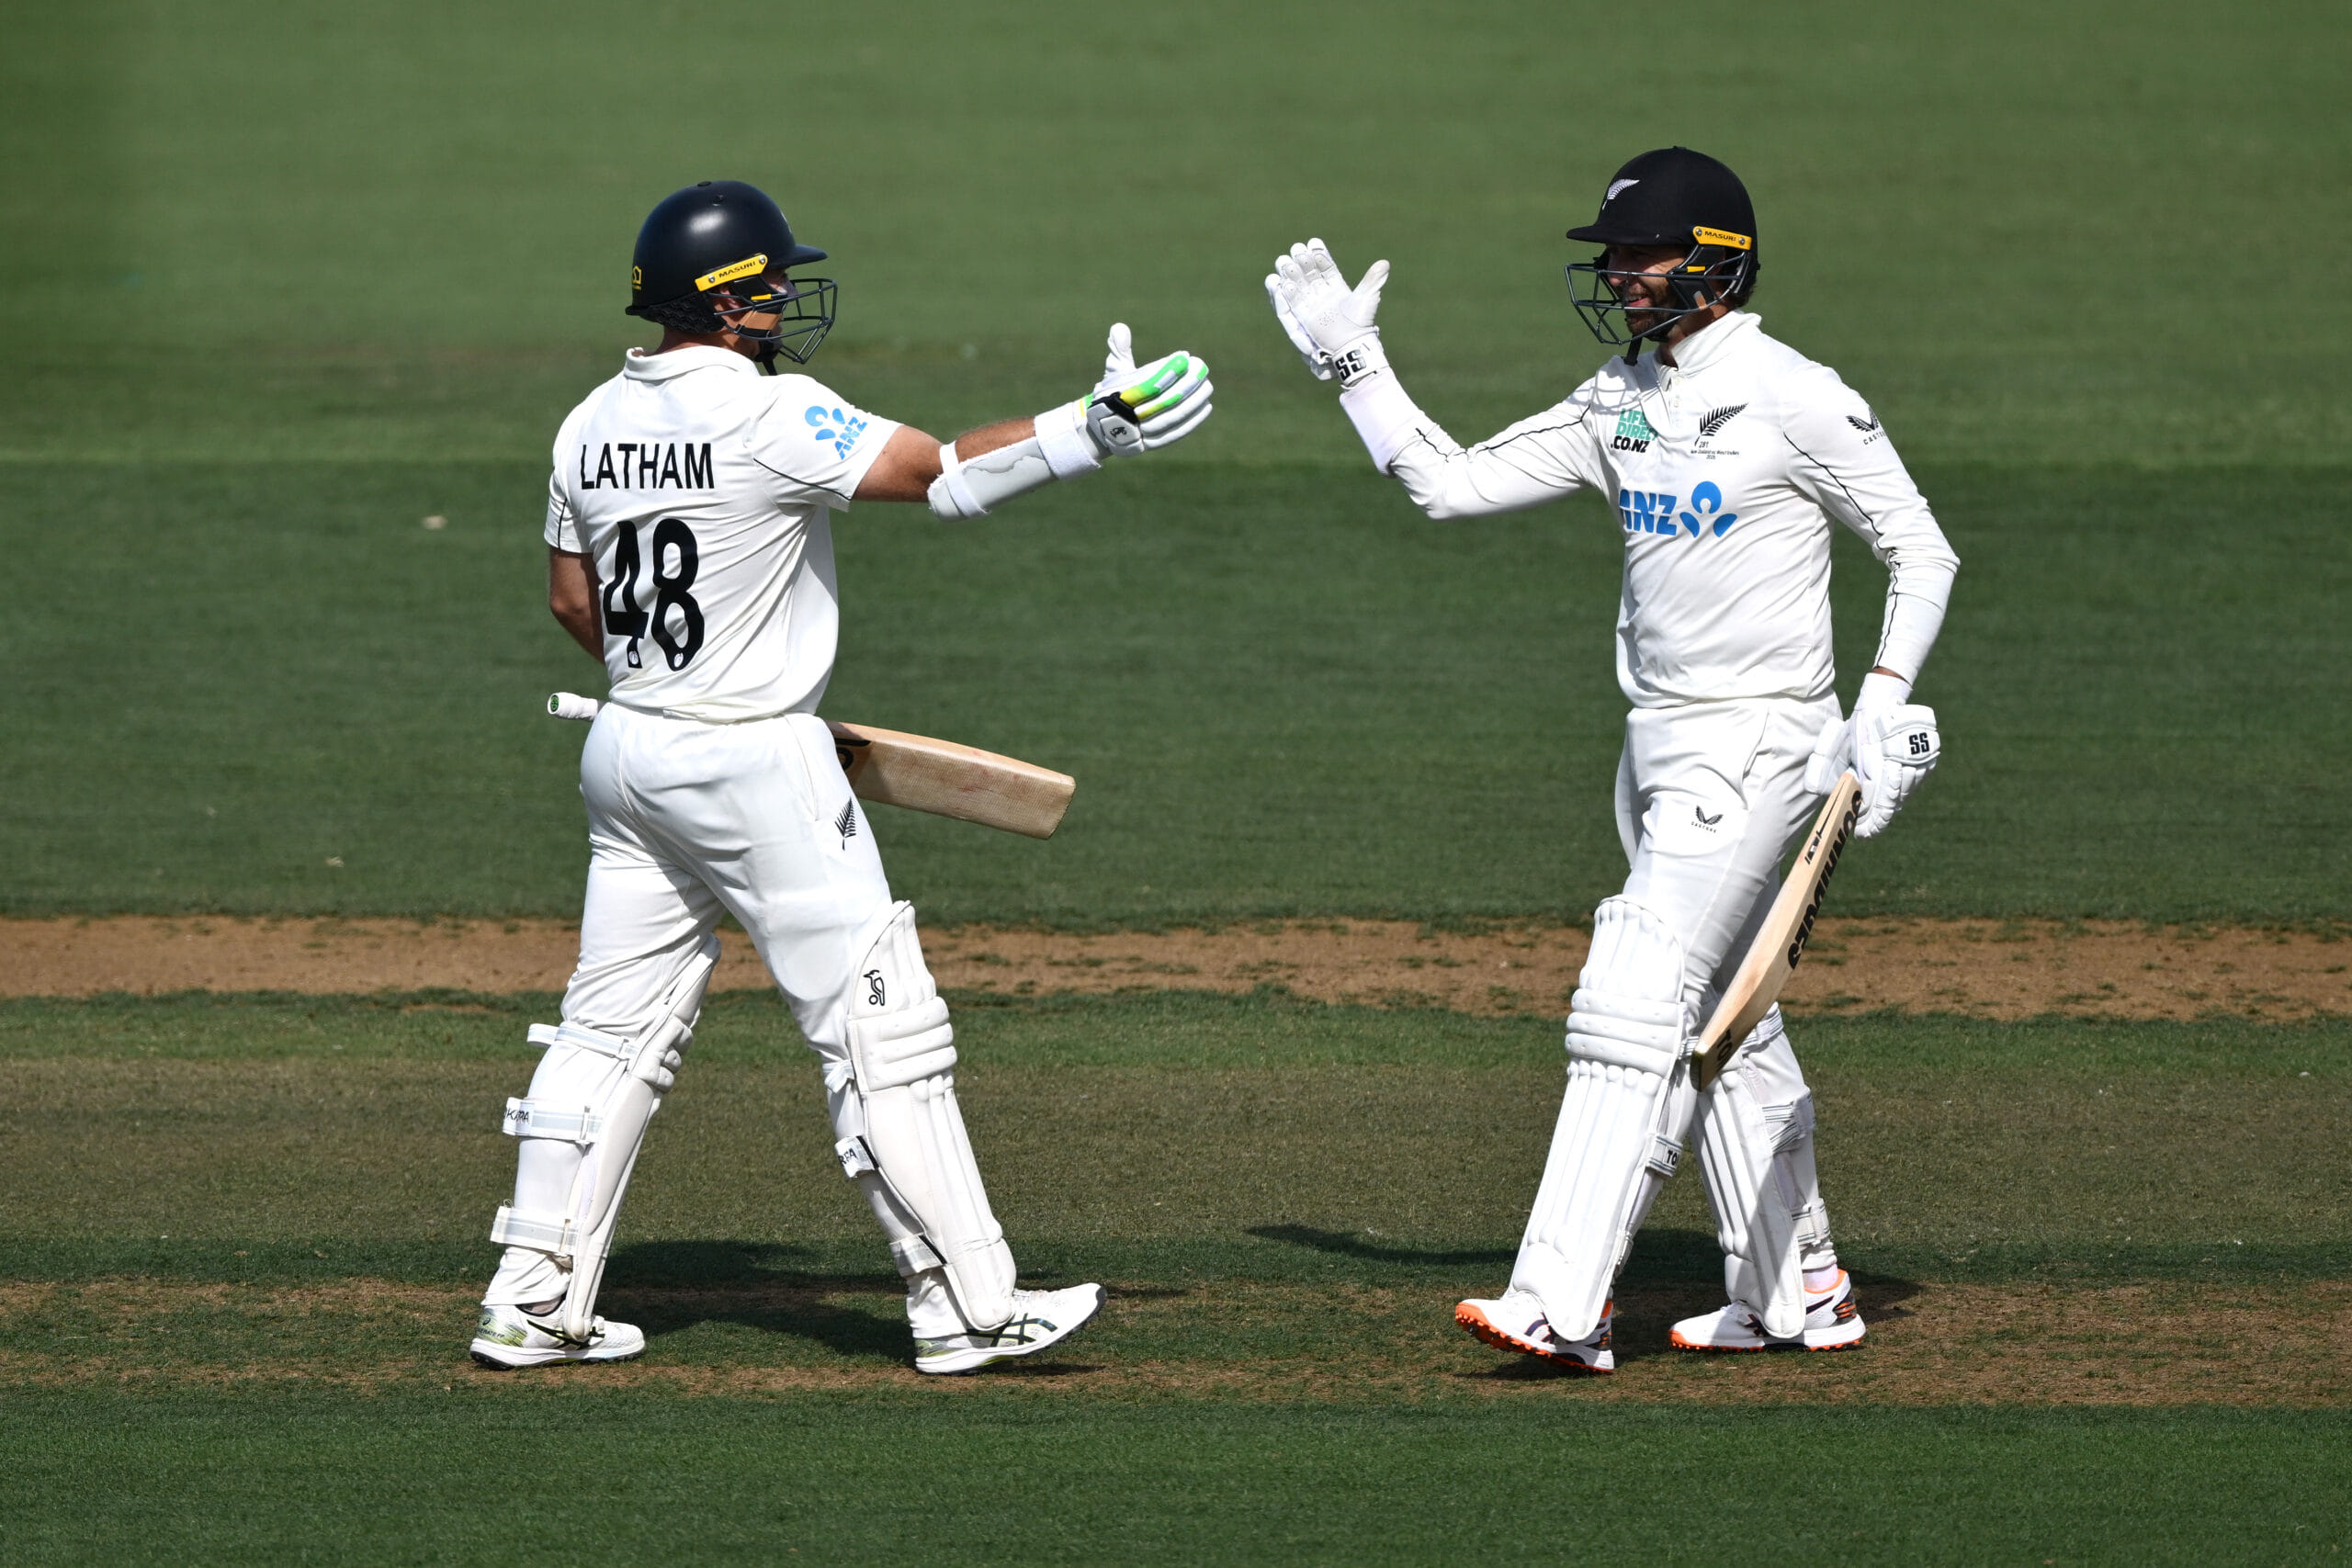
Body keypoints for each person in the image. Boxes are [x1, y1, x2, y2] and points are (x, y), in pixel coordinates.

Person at [471, 179, 1212, 1374]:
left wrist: (681, 682)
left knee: (608, 1032)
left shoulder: (588, 421)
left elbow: (573, 601)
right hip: (758, 768)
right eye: (767, 284)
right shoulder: (772, 416)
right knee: (882, 1027)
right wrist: (1091, 426)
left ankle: (531, 1298)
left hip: (627, 751)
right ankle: (967, 1307)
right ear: (727, 301)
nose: (782, 302)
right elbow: (940, 476)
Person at [1265, 148, 1955, 1371]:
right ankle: (1799, 1290)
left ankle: (1561, 1302)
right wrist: (1353, 366)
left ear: (1717, 265)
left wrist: (1884, 703)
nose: (1621, 278)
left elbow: (1921, 550)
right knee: (1727, 1028)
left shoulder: (1798, 395)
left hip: (1758, 744)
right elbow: (1448, 487)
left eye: (1641, 257)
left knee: (1633, 995)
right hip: (1652, 748)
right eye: (1614, 259)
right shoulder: (1616, 399)